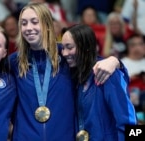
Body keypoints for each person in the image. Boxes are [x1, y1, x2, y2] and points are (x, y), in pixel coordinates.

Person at [9, 3, 122, 141]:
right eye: (23, 23)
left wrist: (115, 61)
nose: (28, 28)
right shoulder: (14, 62)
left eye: (34, 22)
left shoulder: (66, 53)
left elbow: (93, 62)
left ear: (47, 24)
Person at [61, 24, 137, 141]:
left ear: (85, 47)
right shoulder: (75, 76)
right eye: (63, 48)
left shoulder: (107, 73)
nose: (64, 53)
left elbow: (128, 119)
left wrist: (116, 61)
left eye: (69, 47)